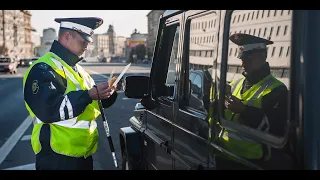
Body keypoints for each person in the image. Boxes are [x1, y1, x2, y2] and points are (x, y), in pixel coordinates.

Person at [23, 17, 122, 170]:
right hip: (56, 157)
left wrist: (109, 92)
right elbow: (50, 110)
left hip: (82, 154)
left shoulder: (78, 70)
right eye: (84, 42)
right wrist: (88, 95)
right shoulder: (43, 68)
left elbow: (95, 104)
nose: (86, 47)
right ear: (67, 36)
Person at [214, 33, 290, 170]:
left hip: (251, 163)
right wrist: (217, 102)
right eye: (242, 58)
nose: (243, 63)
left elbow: (275, 130)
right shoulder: (236, 83)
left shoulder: (278, 90)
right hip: (224, 155)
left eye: (248, 58)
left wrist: (244, 111)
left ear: (263, 56)